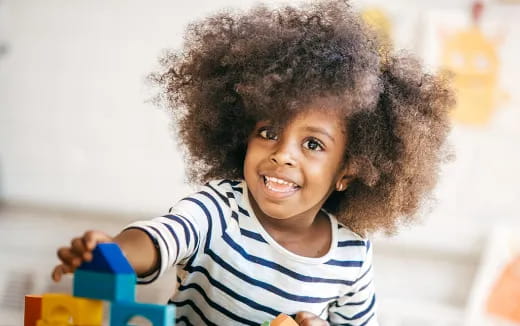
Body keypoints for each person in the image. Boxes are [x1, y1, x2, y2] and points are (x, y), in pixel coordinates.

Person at [51, 0, 453, 325]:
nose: (282, 153)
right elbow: (161, 239)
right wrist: (112, 253)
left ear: (348, 172)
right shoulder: (219, 209)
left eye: (312, 144)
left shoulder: (351, 254)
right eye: (268, 132)